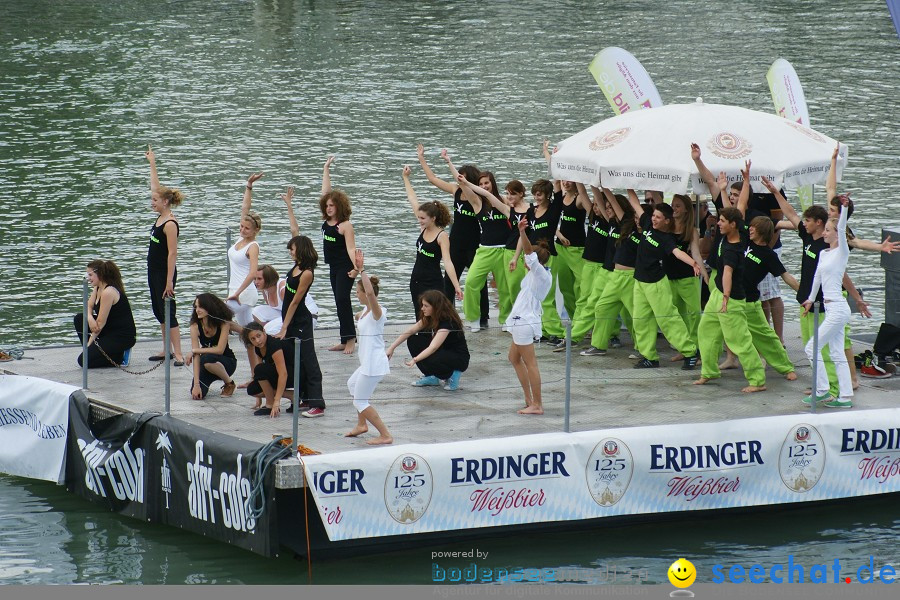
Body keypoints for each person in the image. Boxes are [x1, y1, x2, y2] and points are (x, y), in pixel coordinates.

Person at [627, 190, 702, 369]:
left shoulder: (666, 238)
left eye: (658, 217)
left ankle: (690, 352)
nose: (654, 219)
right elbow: (635, 203)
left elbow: (677, 253)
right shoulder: (646, 223)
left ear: (666, 221)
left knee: (667, 319)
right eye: (654, 215)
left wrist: (693, 262)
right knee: (640, 319)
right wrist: (629, 184)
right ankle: (649, 357)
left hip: (656, 283)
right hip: (640, 281)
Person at [694, 207, 767, 393]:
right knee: (705, 331)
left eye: (722, 221)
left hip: (730, 298)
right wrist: (745, 183)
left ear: (732, 225)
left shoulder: (733, 250)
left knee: (739, 341)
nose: (718, 224)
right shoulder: (736, 232)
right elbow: (740, 207)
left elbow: (727, 273)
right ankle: (709, 371)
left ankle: (757, 380)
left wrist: (725, 297)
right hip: (718, 294)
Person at [417, 144, 489, 327]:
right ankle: (447, 317)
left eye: (462, 178)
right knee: (448, 282)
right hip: (455, 244)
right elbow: (432, 179)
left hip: (474, 245)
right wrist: (421, 158)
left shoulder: (477, 198)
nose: (458, 181)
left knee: (478, 283)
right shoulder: (455, 191)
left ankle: (483, 317)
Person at [802, 194, 853, 408]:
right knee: (835, 352)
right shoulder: (823, 254)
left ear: (836, 234)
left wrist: (843, 209)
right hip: (830, 306)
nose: (824, 233)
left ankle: (822, 390)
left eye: (827, 231)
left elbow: (841, 229)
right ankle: (845, 396)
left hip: (839, 308)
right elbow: (817, 278)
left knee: (811, 347)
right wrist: (810, 299)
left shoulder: (842, 251)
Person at [344, 250, 393, 445]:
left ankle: (385, 435)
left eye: (358, 292)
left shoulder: (376, 312)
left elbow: (371, 294)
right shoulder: (365, 312)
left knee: (360, 400)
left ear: (365, 293)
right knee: (352, 385)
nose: (356, 295)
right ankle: (361, 425)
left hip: (374, 363)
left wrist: (361, 269)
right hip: (366, 362)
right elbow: (359, 316)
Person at [402, 165, 463, 317]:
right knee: (419, 315)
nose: (420, 221)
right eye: (419, 217)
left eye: (422, 218)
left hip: (433, 282)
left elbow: (448, 263)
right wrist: (405, 178)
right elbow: (412, 199)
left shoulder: (442, 236)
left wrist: (457, 286)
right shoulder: (423, 228)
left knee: (435, 317)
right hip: (416, 280)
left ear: (433, 218)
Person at [506, 218, 552, 415]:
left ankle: (538, 404)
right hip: (519, 321)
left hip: (525, 322)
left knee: (530, 363)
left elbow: (528, 252)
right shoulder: (534, 275)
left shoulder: (540, 273)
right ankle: (529, 398)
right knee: (513, 358)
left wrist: (522, 233)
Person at [278, 234, 327, 417]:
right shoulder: (296, 267)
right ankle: (304, 397)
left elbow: (295, 301)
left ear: (300, 249)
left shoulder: (307, 273)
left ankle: (318, 403)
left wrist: (284, 327)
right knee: (296, 361)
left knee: (309, 361)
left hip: (300, 321)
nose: (290, 251)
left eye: (292, 248)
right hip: (290, 320)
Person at [145, 145, 185, 364]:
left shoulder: (170, 223)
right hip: (153, 270)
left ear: (165, 202)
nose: (152, 203)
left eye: (155, 201)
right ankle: (165, 349)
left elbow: (172, 254)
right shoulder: (160, 215)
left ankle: (178, 353)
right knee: (158, 311)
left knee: (169, 311)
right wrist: (152, 162)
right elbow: (155, 187)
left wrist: (169, 281)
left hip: (164, 272)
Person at [387, 289, 470, 391]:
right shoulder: (431, 317)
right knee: (413, 340)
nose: (422, 308)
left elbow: (433, 347)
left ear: (436, 307)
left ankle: (453, 374)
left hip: (458, 357)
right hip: (443, 351)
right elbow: (411, 330)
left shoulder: (448, 322)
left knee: (433, 357)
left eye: (426, 306)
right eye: (422, 305)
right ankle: (431, 376)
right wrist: (392, 348)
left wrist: (415, 359)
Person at [460, 170, 511, 332]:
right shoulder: (477, 202)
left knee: (504, 287)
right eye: (481, 184)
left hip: (504, 250)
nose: (484, 186)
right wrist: (449, 162)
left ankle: (506, 319)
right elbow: (462, 183)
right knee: (471, 282)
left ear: (493, 183)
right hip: (485, 250)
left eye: (486, 183)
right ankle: (473, 318)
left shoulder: (504, 200)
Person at [319, 156, 358, 354]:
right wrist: (326, 169)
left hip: (346, 267)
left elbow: (352, 249)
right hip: (333, 266)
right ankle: (344, 338)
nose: (328, 208)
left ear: (339, 207)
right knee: (338, 300)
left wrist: (357, 269)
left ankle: (351, 339)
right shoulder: (327, 222)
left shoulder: (345, 226)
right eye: (327, 206)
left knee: (343, 299)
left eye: (332, 206)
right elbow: (326, 193)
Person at [665, 194, 707, 358]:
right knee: (676, 315)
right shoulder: (666, 228)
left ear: (686, 210)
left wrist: (706, 276)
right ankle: (685, 347)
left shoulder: (691, 231)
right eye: (673, 205)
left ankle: (696, 348)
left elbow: (696, 254)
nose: (674, 209)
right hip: (669, 277)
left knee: (694, 314)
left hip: (687, 277)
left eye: (678, 206)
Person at [74, 260, 136, 368]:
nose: (88, 278)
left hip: (121, 335)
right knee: (79, 319)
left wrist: (89, 345)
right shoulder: (97, 288)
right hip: (108, 330)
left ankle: (119, 356)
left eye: (90, 275)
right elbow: (88, 306)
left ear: (100, 274)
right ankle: (97, 352)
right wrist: (89, 318)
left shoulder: (109, 292)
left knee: (83, 361)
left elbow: (100, 324)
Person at [225, 172, 264, 326]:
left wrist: (237, 293)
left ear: (255, 231)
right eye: (241, 226)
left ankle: (220, 348)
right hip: (234, 290)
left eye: (247, 228)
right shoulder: (241, 239)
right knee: (247, 330)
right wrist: (249, 186)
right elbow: (245, 208)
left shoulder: (253, 247)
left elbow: (253, 273)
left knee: (217, 314)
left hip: (244, 293)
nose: (242, 230)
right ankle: (264, 346)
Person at [186, 293, 241, 400]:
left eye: (201, 307)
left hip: (226, 363)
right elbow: (197, 356)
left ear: (209, 307)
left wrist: (194, 350)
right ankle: (201, 384)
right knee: (197, 394)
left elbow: (220, 350)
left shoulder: (223, 323)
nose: (197, 310)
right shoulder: (195, 326)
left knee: (207, 358)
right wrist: (196, 385)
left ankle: (229, 383)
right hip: (207, 365)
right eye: (196, 307)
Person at [241, 322, 294, 418]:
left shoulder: (274, 345)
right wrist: (258, 398)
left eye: (259, 336)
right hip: (278, 375)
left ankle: (270, 404)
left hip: (294, 374)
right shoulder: (258, 348)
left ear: (264, 332)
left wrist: (277, 401)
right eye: (253, 339)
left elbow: (283, 373)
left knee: (259, 369)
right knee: (252, 389)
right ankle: (292, 395)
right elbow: (260, 374)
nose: (257, 341)